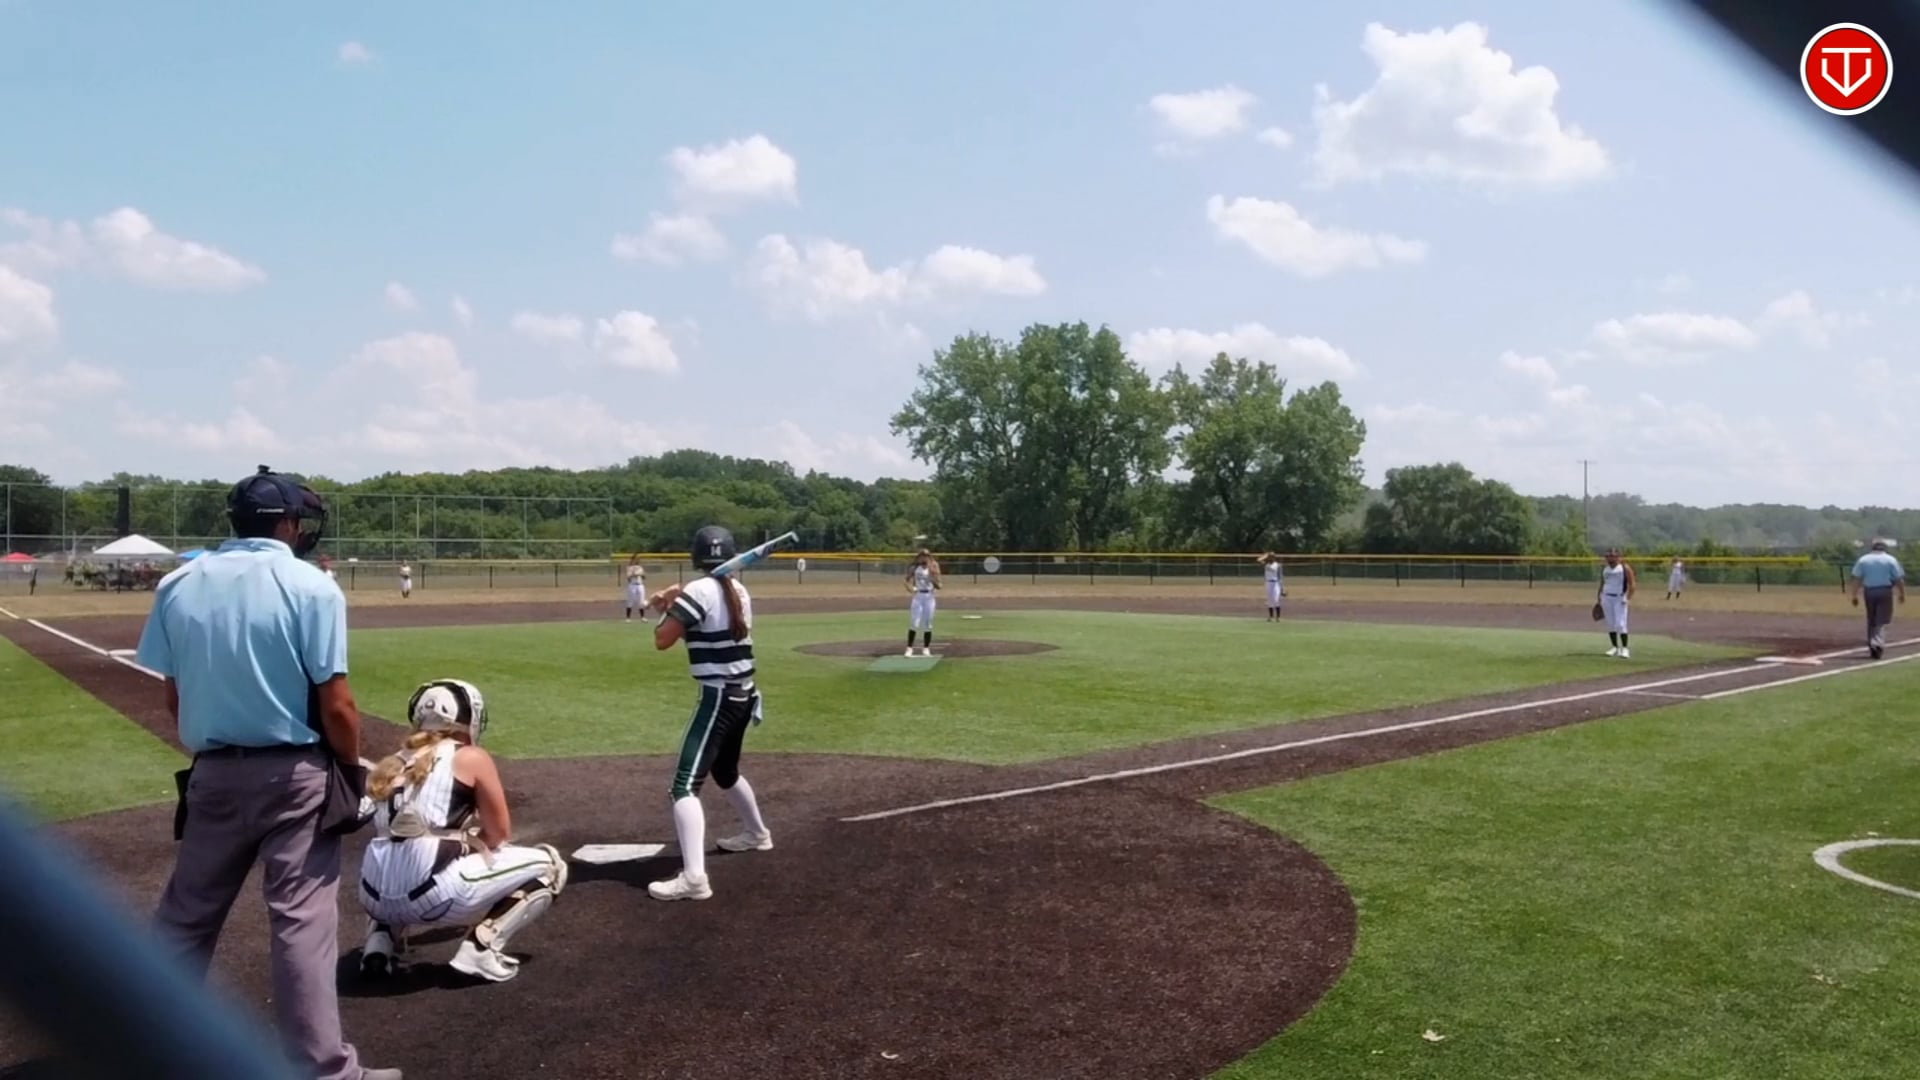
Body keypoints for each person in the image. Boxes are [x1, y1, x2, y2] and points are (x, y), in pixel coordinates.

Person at [133, 464, 401, 1080]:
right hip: (296, 775)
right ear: (285, 524)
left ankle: (148, 1048)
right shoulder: (310, 586)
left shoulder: (179, 583)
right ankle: (323, 1070)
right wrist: (346, 769)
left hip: (213, 773)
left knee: (184, 918)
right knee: (302, 924)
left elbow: (175, 697)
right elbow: (337, 704)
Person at [357, 678, 566, 984]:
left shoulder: (393, 762)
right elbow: (498, 834)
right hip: (434, 900)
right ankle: (480, 949)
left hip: (373, 898)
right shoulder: (470, 757)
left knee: (395, 858)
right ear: (468, 717)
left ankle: (378, 945)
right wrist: (467, 845)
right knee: (550, 866)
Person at [642, 525, 773, 902]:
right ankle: (757, 834)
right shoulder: (737, 590)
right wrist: (672, 606)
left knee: (683, 786)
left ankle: (694, 878)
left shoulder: (699, 590)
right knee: (725, 771)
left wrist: (670, 605)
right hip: (743, 694)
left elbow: (662, 640)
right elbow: (704, 634)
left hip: (718, 698)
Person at [1848, 539, 1906, 659]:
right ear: (1884, 548)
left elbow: (1857, 579)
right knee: (1881, 619)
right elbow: (1898, 579)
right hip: (1885, 590)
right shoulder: (1890, 560)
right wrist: (1902, 594)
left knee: (1872, 618)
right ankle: (1877, 643)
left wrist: (1854, 595)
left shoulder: (1863, 560)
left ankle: (1872, 644)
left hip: (1869, 591)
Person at [1597, 547, 1636, 658]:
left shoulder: (1624, 568)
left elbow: (1632, 584)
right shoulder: (1605, 569)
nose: (1609, 558)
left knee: (1620, 624)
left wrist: (1627, 598)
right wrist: (1599, 598)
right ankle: (1614, 647)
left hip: (1619, 598)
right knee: (1610, 624)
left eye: (1612, 556)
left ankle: (1625, 649)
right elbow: (1602, 584)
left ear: (1618, 556)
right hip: (1606, 597)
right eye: (1607, 556)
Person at [904, 548, 941, 656]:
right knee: (914, 622)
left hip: (929, 596)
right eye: (922, 556)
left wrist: (932, 578)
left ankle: (926, 648)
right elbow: (906, 580)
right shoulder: (915, 567)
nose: (924, 558)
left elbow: (939, 585)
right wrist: (911, 589)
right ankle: (909, 648)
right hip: (918, 596)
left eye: (926, 556)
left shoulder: (933, 567)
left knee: (928, 623)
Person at [1257, 552, 1285, 621]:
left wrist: (1282, 588)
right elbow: (1258, 560)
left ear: (1274, 557)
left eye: (1272, 556)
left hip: (1275, 583)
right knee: (1269, 600)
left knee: (1276, 600)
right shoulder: (1266, 564)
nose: (1270, 558)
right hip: (1268, 583)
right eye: (1270, 557)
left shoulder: (1277, 565)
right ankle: (1271, 616)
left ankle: (1278, 617)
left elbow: (1280, 577)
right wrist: (1266, 555)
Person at [624, 555, 647, 622]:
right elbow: (628, 578)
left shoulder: (640, 567)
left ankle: (642, 617)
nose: (636, 561)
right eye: (634, 559)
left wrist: (642, 575)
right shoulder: (629, 568)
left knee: (641, 601)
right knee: (630, 601)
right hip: (632, 585)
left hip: (640, 585)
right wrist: (633, 574)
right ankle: (628, 618)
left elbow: (644, 577)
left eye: (637, 559)